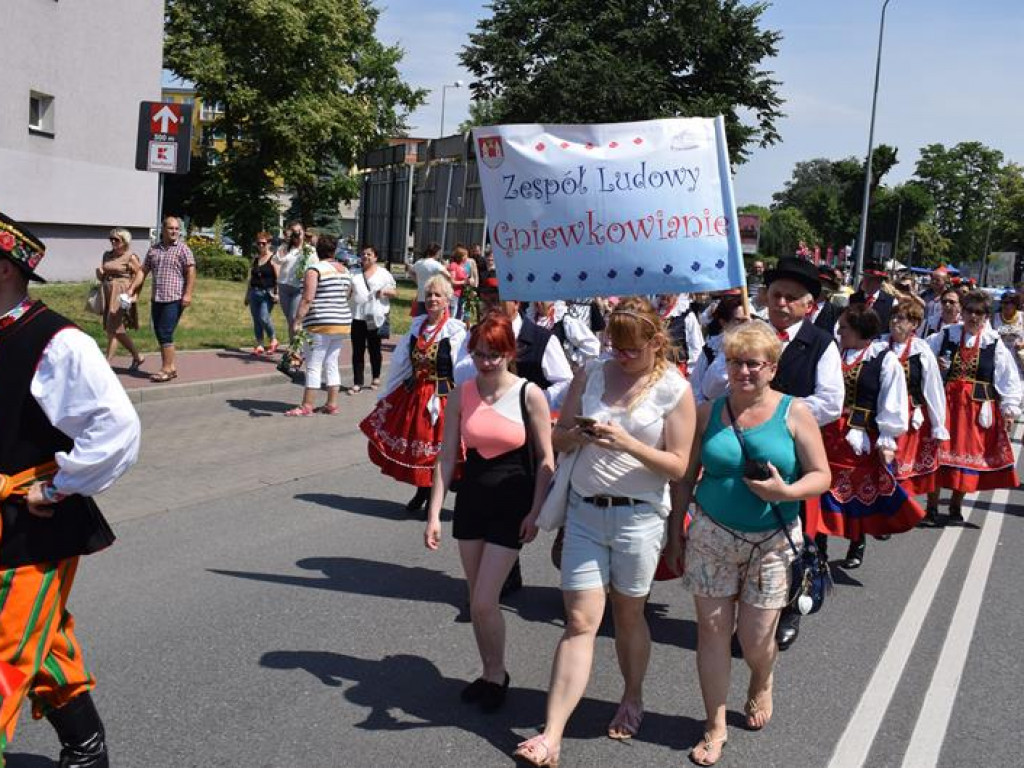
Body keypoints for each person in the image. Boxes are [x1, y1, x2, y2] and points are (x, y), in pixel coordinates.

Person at [513, 298, 695, 768]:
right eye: (615, 345)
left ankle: (632, 695)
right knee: (579, 622)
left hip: (639, 518)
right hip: (585, 514)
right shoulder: (592, 372)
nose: (620, 355)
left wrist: (629, 443)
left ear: (655, 343)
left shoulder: (674, 389)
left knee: (629, 616)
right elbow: (558, 436)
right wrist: (580, 435)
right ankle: (551, 736)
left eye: (631, 349)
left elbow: (677, 466)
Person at [0, 211, 141, 767]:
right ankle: (87, 748)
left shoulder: (57, 343)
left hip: (27, 525)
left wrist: (57, 489)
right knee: (43, 638)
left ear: (6, 269)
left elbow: (118, 429)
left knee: (6, 650)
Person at [666, 322, 830, 766]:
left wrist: (787, 493)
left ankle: (762, 676)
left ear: (772, 368)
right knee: (713, 632)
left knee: (755, 639)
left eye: (752, 363)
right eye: (735, 362)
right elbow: (684, 475)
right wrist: (674, 532)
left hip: (773, 541)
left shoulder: (795, 413)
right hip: (711, 534)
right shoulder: (707, 411)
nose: (742, 371)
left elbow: (821, 475)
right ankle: (714, 725)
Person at [701, 257, 843, 650]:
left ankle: (791, 606)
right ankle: (738, 614)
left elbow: (831, 402)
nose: (780, 303)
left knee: (797, 534)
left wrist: (780, 413)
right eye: (775, 294)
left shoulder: (820, 343)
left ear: (808, 305)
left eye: (791, 298)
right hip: (738, 443)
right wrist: (736, 341)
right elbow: (711, 388)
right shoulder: (746, 334)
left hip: (791, 450)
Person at [424, 312, 554, 713]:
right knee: (476, 597)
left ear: (509, 353)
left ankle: (497, 675)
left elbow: (546, 459)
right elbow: (447, 456)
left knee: (483, 600)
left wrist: (535, 511)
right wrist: (433, 514)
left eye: (495, 354)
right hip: (473, 501)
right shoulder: (462, 392)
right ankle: (490, 671)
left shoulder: (529, 393)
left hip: (512, 502)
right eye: (479, 353)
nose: (486, 362)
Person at [809, 305, 924, 569]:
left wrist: (887, 438)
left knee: (858, 492)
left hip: (861, 439)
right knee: (821, 488)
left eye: (845, 327)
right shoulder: (833, 354)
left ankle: (856, 542)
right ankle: (820, 546)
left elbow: (891, 400)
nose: (839, 331)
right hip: (827, 434)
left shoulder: (884, 360)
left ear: (861, 330)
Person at [361, 275, 466, 514]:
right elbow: (401, 364)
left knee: (439, 448)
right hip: (416, 394)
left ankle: (433, 497)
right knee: (419, 444)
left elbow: (461, 368)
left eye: (437, 295)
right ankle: (422, 490)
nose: (432, 299)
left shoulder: (455, 331)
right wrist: (387, 395)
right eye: (429, 295)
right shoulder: (416, 328)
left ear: (447, 299)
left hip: (444, 397)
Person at [926, 290, 1022, 524]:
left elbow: (1008, 378)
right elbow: (922, 357)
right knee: (938, 455)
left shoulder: (994, 343)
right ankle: (931, 508)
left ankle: (956, 506)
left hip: (976, 410)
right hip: (946, 405)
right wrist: (934, 364)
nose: (973, 316)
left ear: (986, 316)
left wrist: (1009, 409)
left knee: (967, 458)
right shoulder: (946, 335)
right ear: (963, 312)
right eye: (969, 311)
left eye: (979, 312)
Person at [883, 300, 949, 525]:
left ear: (914, 324)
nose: (894, 322)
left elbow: (932, 388)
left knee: (901, 467)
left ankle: (898, 513)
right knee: (882, 464)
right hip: (882, 415)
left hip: (910, 415)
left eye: (900, 318)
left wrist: (938, 424)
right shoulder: (880, 345)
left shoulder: (922, 351)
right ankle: (886, 512)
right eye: (893, 316)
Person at [285, 235, 361, 416]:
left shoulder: (314, 270)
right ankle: (331, 404)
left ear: (317, 250)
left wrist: (297, 321)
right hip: (341, 322)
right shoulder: (344, 270)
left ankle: (306, 406)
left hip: (320, 322)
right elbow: (349, 294)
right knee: (331, 363)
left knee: (313, 364)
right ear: (334, 250)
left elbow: (307, 298)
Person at [130, 215, 196, 383]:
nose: (174, 231)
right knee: (160, 333)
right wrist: (131, 288)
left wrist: (188, 294)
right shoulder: (154, 249)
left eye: (176, 229)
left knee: (165, 332)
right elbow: (143, 271)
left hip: (174, 298)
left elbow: (191, 271)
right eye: (171, 228)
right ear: (163, 230)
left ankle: (166, 369)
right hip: (157, 298)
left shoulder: (183, 249)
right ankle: (171, 367)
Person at [350, 245, 397, 394]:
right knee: (357, 350)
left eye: (369, 254)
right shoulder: (354, 273)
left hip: (374, 316)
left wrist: (384, 291)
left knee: (374, 348)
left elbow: (395, 292)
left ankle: (376, 376)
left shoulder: (383, 273)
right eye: (363, 254)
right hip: (357, 316)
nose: (365, 256)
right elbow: (348, 292)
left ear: (375, 257)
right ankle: (357, 382)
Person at [96, 227, 144, 369]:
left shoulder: (131, 257)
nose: (112, 241)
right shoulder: (107, 255)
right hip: (108, 292)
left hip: (122, 294)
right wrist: (100, 273)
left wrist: (135, 293)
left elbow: (140, 275)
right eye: (111, 239)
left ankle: (107, 362)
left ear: (124, 241)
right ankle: (137, 356)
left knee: (114, 327)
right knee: (115, 328)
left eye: (116, 239)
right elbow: (102, 275)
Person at [690, 294, 748, 405]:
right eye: (738, 321)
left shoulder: (758, 350)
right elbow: (700, 389)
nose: (744, 326)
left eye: (747, 321)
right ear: (723, 323)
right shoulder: (711, 349)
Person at [273, 221, 318, 344]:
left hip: (298, 288)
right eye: (294, 232)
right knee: (290, 320)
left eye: (299, 231)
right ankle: (293, 345)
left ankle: (297, 348)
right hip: (284, 286)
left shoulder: (309, 250)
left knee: (295, 319)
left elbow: (315, 267)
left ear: (303, 232)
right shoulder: (286, 247)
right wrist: (287, 242)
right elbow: (277, 260)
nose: (297, 235)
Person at [525, 300, 601, 372]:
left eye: (542, 299)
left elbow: (592, 346)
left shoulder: (565, 321)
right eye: (536, 300)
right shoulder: (530, 320)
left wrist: (571, 361)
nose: (538, 303)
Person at [245, 231, 279, 356]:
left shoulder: (273, 259)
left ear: (269, 243)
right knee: (256, 319)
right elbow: (251, 279)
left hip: (267, 293)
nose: (260, 246)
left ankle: (273, 339)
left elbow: (278, 278)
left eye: (263, 243)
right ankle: (260, 344)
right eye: (258, 243)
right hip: (254, 292)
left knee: (264, 317)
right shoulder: (256, 259)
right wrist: (247, 295)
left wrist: (277, 294)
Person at [657, 293, 704, 376]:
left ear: (677, 295)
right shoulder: (653, 312)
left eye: (669, 292)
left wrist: (691, 372)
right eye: (661, 292)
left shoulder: (686, 315)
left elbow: (696, 347)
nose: (664, 295)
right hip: (655, 368)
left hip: (677, 370)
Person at [850, 260, 895, 329]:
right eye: (865, 277)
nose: (867, 282)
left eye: (872, 279)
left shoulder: (891, 302)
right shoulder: (853, 299)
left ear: (879, 281)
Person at [992, 290, 1024, 376]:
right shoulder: (994, 318)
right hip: (999, 358)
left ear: (1016, 304)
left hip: (1019, 360)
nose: (1007, 305)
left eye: (1011, 303)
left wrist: (1022, 344)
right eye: (1005, 303)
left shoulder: (1022, 316)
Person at [411, 242, 446, 316]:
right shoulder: (436, 264)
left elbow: (411, 272)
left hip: (421, 295)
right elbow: (448, 276)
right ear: (436, 253)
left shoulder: (419, 262)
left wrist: (417, 282)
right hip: (433, 296)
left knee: (421, 319)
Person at [447, 245, 471, 319]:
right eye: (465, 255)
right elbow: (452, 281)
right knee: (453, 312)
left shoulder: (463, 266)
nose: (467, 257)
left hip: (462, 293)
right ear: (460, 256)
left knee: (461, 312)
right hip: (454, 294)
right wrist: (464, 282)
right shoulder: (453, 265)